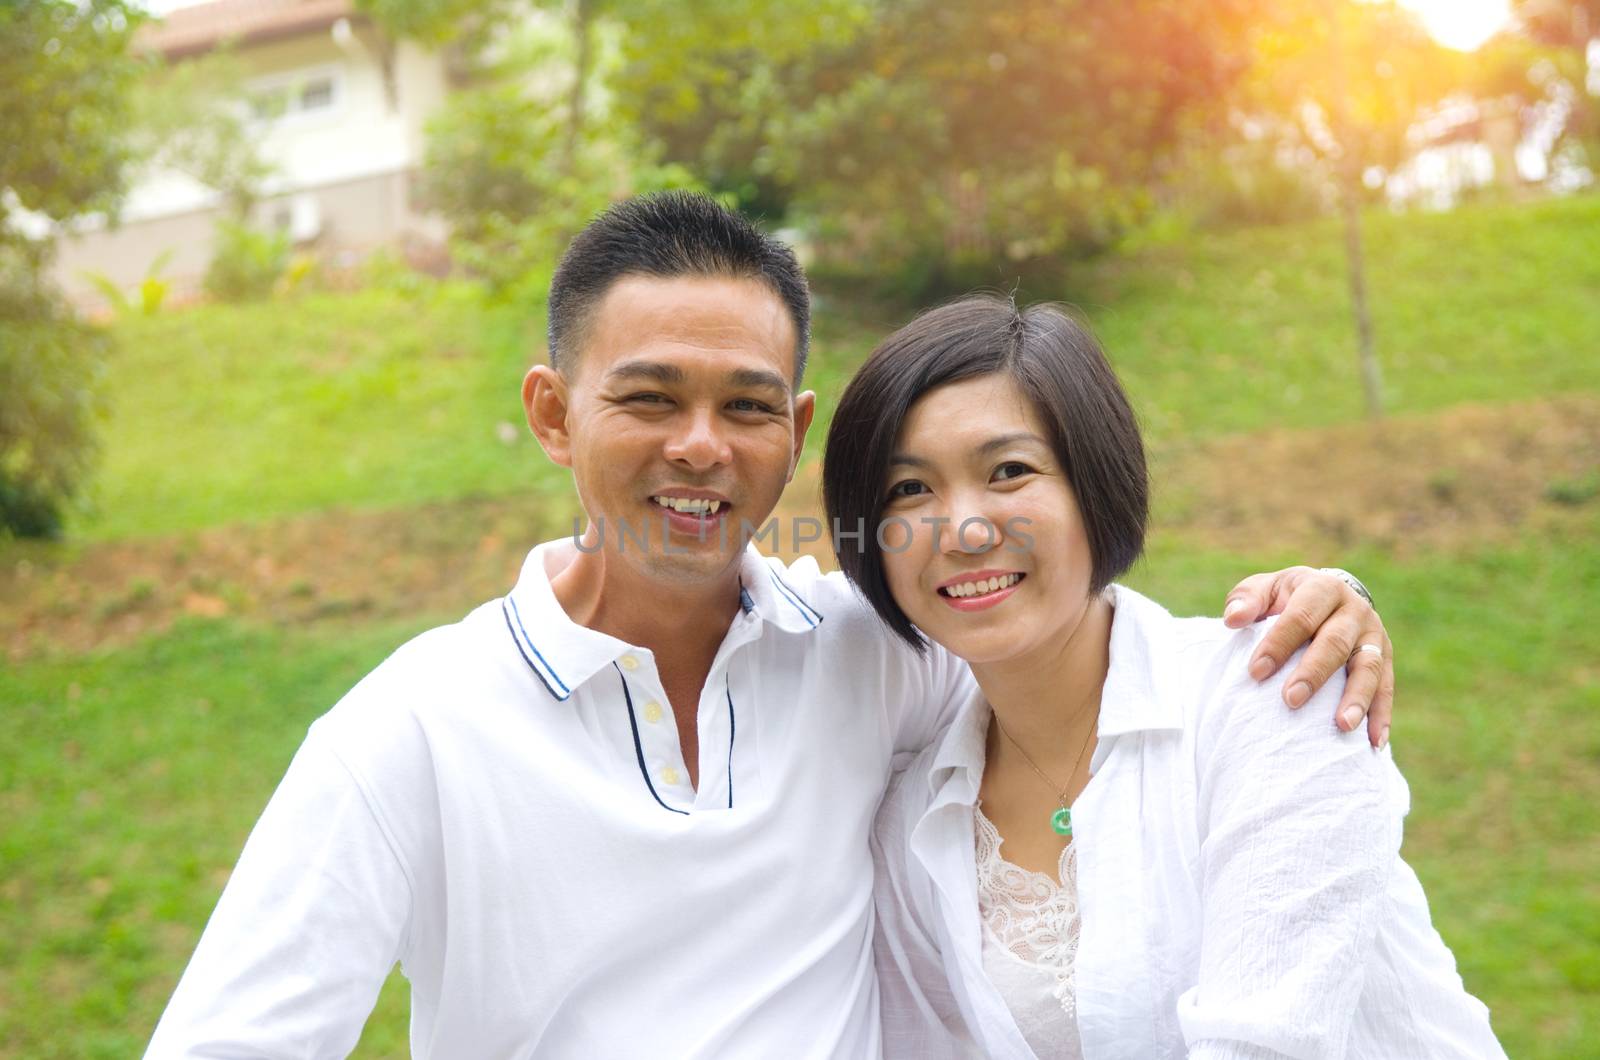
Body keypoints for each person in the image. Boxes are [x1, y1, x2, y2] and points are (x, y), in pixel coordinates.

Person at [146, 194, 1394, 1058]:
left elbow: (1064, 658)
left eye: (744, 405)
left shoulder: (876, 653)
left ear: (794, 433)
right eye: (648, 397)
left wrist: (1306, 608)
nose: (700, 446)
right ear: (551, 413)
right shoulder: (405, 734)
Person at [823, 295, 1505, 1058]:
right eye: (908, 490)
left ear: (1097, 485)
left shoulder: (1276, 696)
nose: (965, 530)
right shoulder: (914, 824)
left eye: (1010, 471)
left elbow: (1267, 1045)